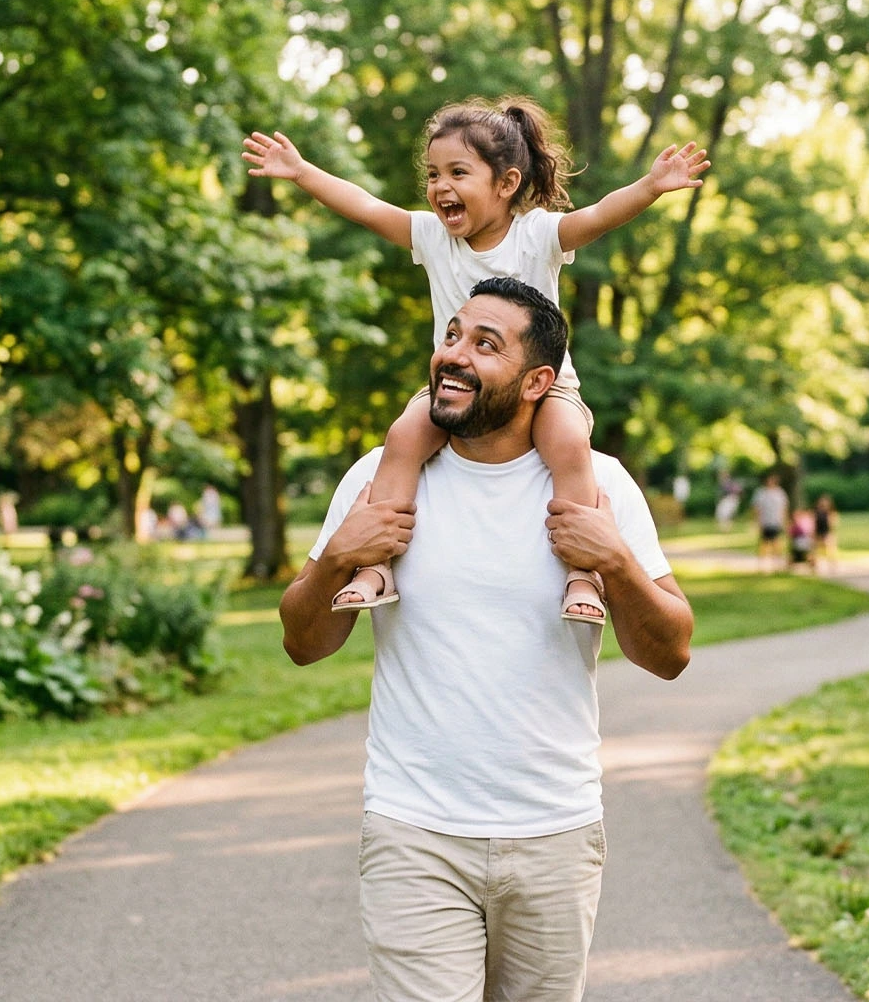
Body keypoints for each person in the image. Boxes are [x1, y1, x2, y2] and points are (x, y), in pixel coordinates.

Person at [279, 279, 693, 1001]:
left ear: (539, 381)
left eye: (484, 344)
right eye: (451, 336)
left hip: (556, 833)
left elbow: (670, 654)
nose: (454, 356)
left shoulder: (602, 487)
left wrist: (616, 562)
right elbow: (304, 642)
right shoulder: (380, 481)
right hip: (415, 831)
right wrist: (341, 556)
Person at [245, 97, 709, 626]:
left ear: (506, 183)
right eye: (434, 173)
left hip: (548, 386)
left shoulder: (536, 235)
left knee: (568, 443)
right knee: (402, 439)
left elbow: (598, 216)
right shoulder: (433, 238)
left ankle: (582, 575)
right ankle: (376, 566)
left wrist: (650, 187)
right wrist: (302, 172)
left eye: (458, 173)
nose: (441, 186)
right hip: (455, 387)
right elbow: (367, 207)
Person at [751, 472, 789, 572]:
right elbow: (756, 508)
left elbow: (784, 509)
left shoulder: (780, 493)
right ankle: (762, 565)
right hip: (765, 522)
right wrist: (757, 522)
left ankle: (777, 564)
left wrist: (784, 522)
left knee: (777, 543)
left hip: (776, 522)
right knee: (764, 544)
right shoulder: (761, 493)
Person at [813, 493, 839, 574]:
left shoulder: (830, 513)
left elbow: (833, 524)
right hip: (818, 533)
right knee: (815, 551)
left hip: (827, 532)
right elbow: (814, 524)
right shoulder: (816, 512)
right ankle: (814, 566)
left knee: (830, 549)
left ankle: (832, 566)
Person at [788, 507, 817, 574]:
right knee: (809, 550)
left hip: (800, 543)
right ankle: (812, 564)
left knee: (807, 549)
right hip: (802, 543)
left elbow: (790, 534)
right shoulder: (804, 523)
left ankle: (810, 563)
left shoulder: (796, 524)